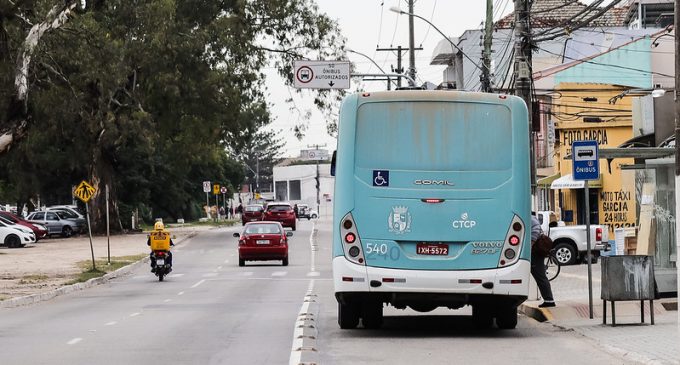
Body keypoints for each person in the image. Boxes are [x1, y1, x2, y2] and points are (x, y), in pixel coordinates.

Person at [531, 212, 555, 308]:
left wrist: (531, 244)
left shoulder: (530, 218)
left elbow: (535, 230)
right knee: (540, 276)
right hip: (535, 251)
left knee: (540, 276)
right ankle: (548, 299)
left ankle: (549, 300)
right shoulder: (531, 218)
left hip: (535, 252)